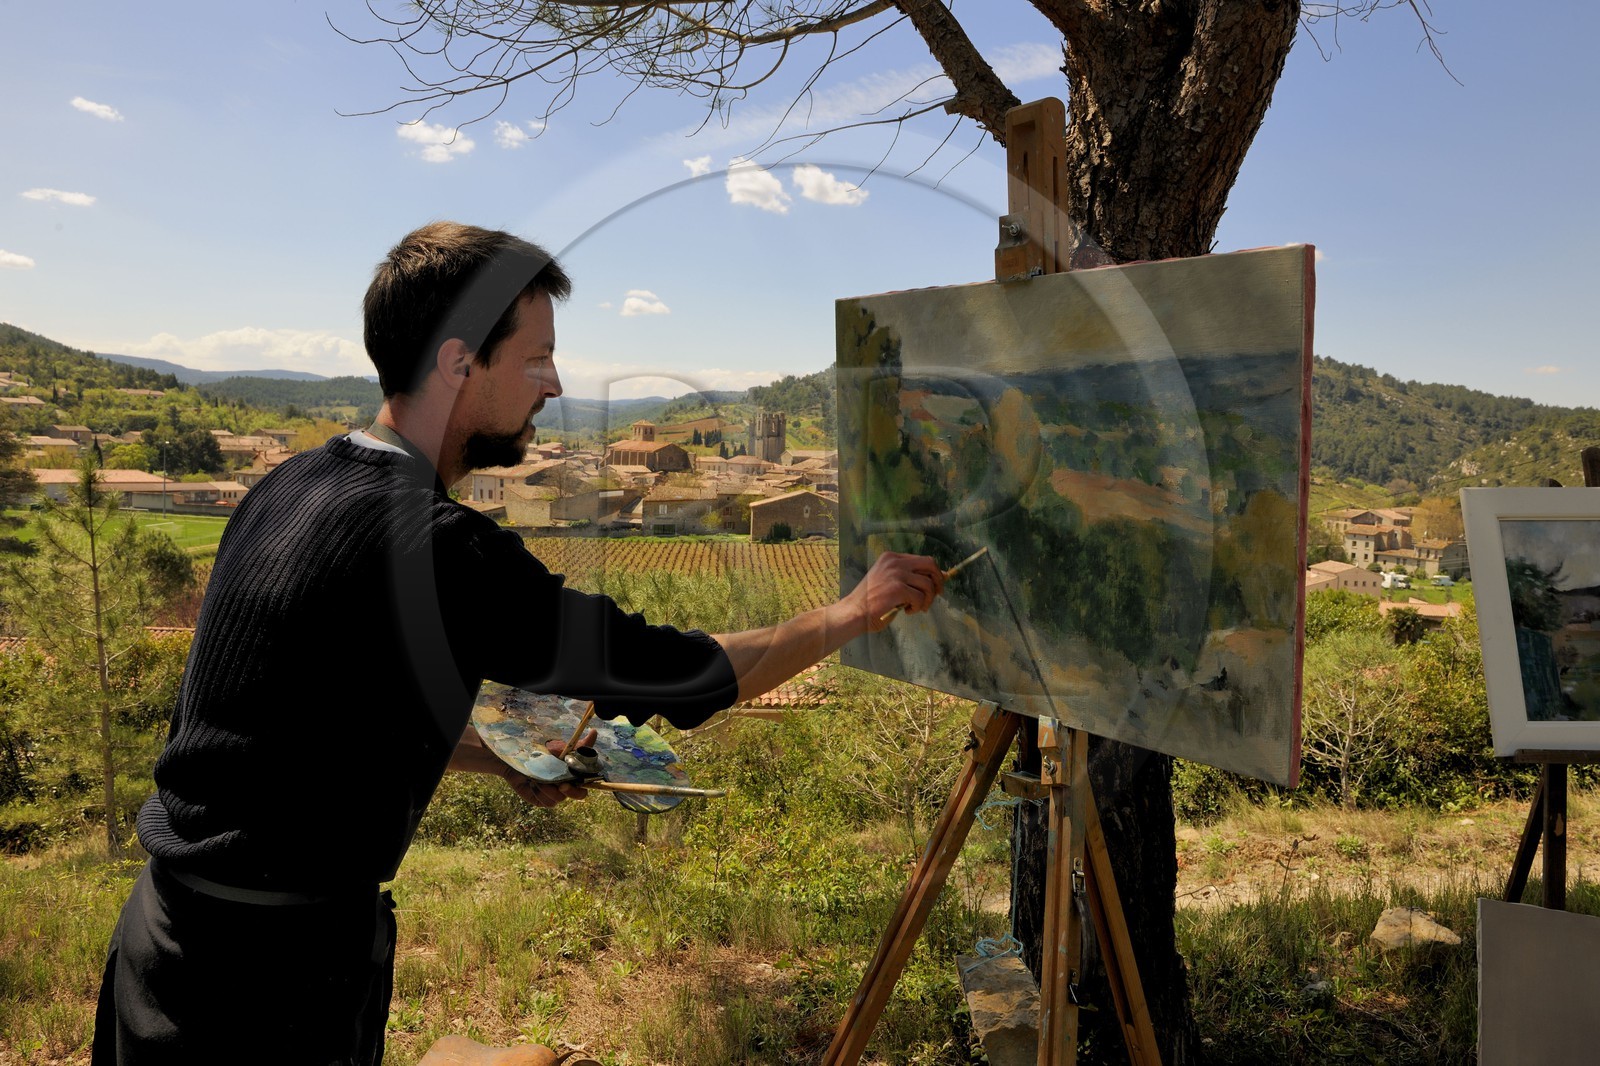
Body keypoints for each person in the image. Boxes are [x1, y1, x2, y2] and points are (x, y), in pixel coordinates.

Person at [91, 220, 947, 1065]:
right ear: (460, 362)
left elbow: (309, 723)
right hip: (266, 988)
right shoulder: (439, 548)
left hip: (164, 941)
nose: (554, 382)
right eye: (536, 358)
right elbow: (679, 677)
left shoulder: (287, 486)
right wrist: (852, 612)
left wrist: (496, 757)